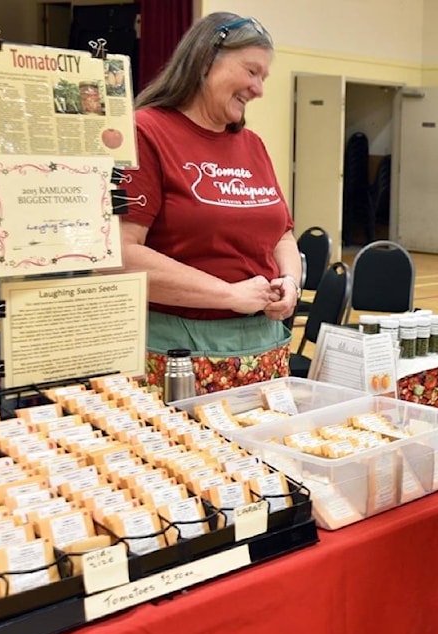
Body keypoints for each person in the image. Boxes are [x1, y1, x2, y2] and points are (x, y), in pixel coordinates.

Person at [121, 13, 301, 394]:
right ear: (205, 60)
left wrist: (291, 282)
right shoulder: (145, 132)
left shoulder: (251, 144)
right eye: (252, 72)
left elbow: (281, 231)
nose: (258, 89)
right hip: (178, 354)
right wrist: (230, 295)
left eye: (264, 78)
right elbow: (121, 257)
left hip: (264, 348)